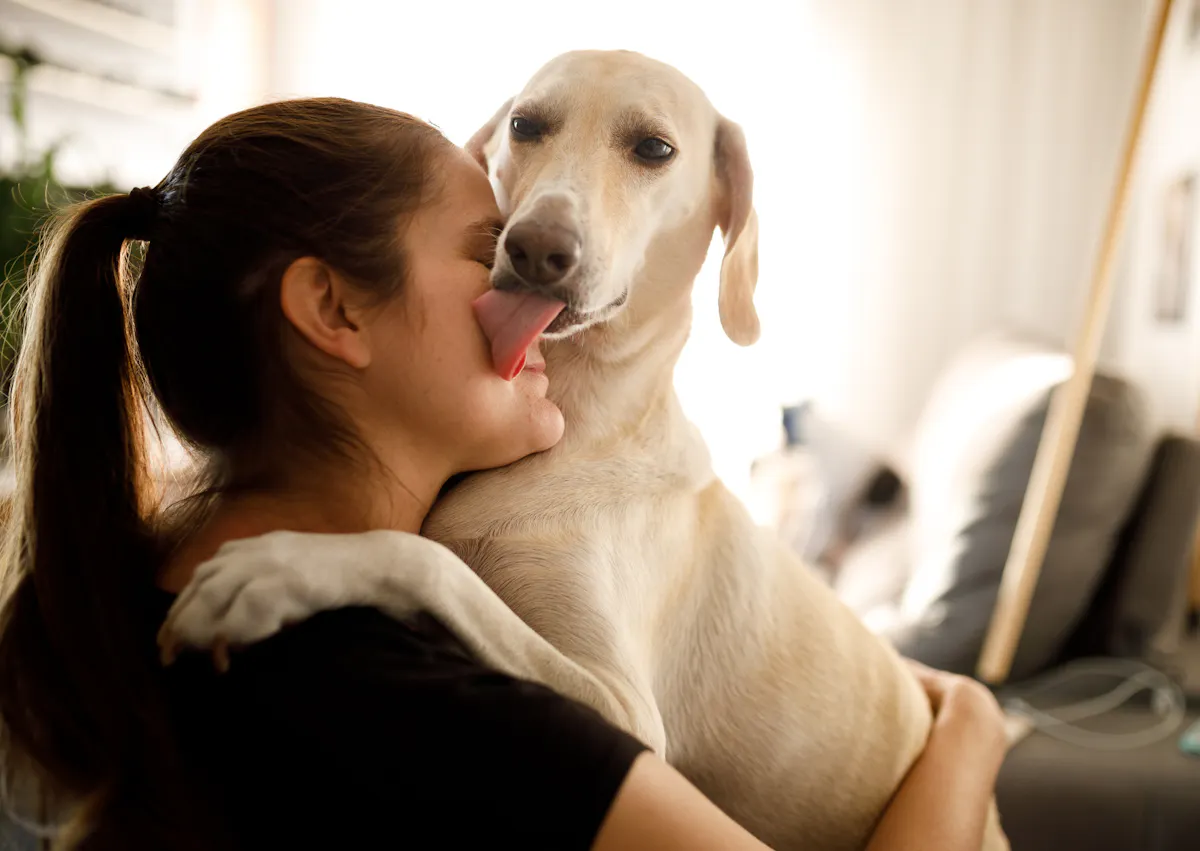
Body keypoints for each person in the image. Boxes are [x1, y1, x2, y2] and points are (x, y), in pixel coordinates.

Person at [0, 98, 1008, 850]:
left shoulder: (142, 574)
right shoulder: (402, 683)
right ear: (336, 311)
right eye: (493, 248)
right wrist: (968, 736)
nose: (535, 273)